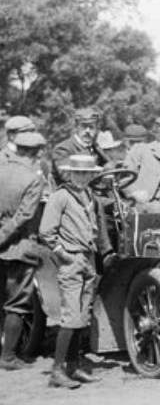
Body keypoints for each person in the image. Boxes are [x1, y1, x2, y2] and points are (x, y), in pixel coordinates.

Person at [39, 154, 104, 388]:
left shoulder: (89, 195)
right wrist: (64, 254)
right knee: (70, 318)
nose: (82, 177)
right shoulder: (61, 196)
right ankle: (57, 371)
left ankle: (74, 367)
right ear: (70, 173)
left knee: (82, 317)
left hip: (87, 259)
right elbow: (46, 232)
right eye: (78, 173)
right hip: (72, 260)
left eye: (87, 174)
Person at [0, 133, 54, 370]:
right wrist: (3, 236)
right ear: (37, 152)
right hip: (19, 247)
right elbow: (24, 215)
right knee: (17, 303)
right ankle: (8, 357)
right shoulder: (33, 179)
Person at [50, 108, 106, 183]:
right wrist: (102, 175)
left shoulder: (96, 148)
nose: (87, 131)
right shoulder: (63, 149)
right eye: (84, 126)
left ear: (96, 129)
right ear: (76, 127)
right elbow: (69, 177)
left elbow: (107, 166)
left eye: (91, 127)